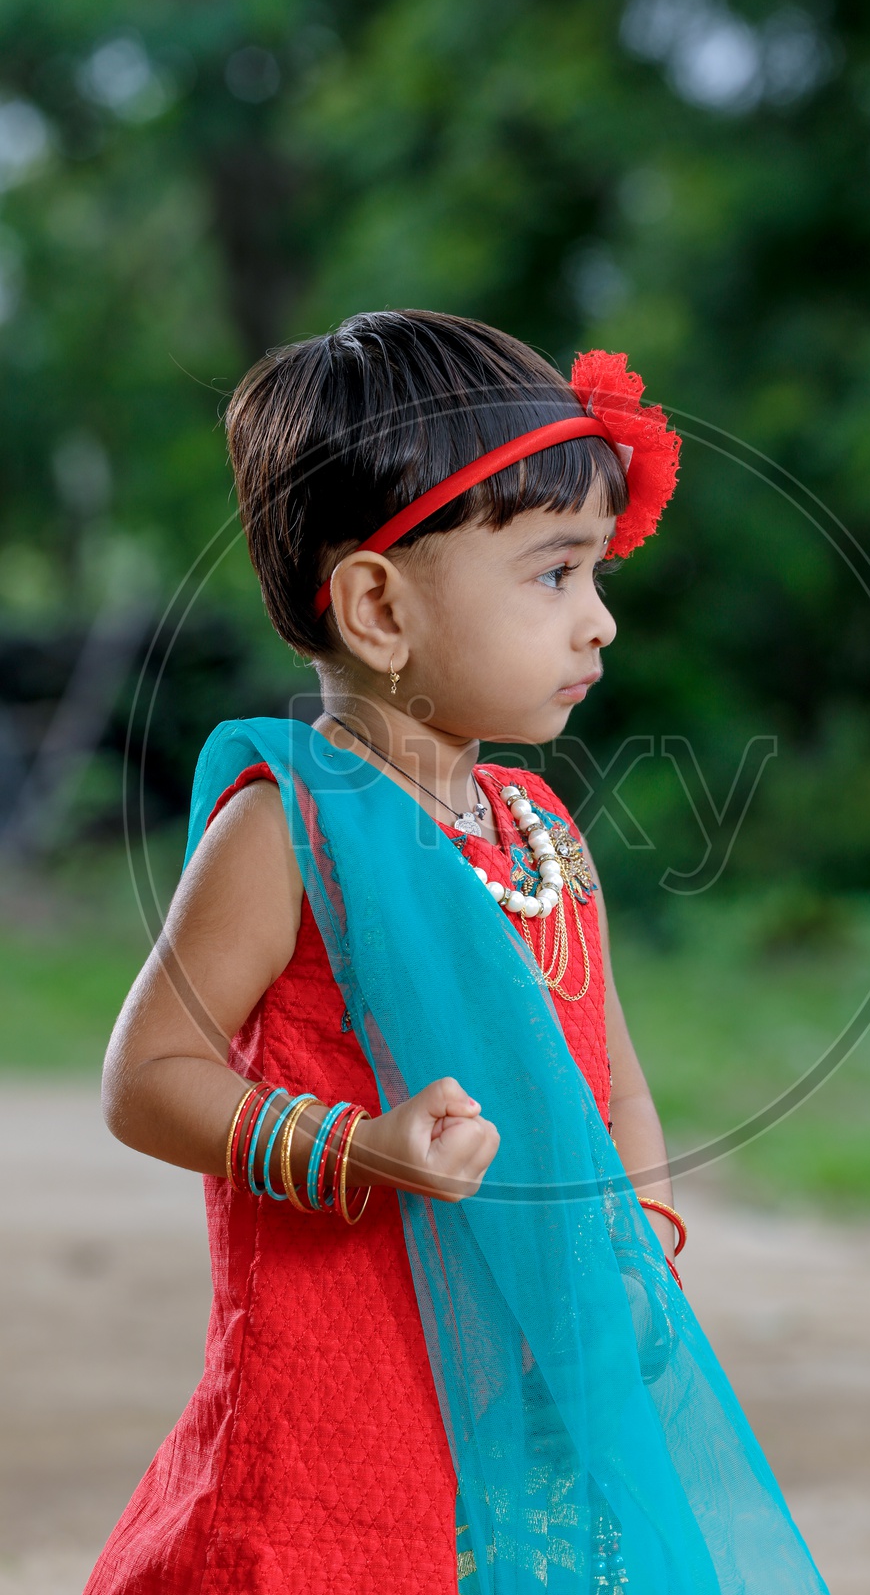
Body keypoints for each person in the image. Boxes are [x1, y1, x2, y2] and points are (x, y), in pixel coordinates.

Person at [85, 309, 828, 1595]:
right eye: (554, 574)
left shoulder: (537, 829)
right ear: (376, 604)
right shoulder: (291, 829)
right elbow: (144, 1075)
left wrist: (637, 1247)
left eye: (598, 576)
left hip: (535, 1383)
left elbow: (614, 1085)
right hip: (342, 1391)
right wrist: (357, 1149)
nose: (598, 622)